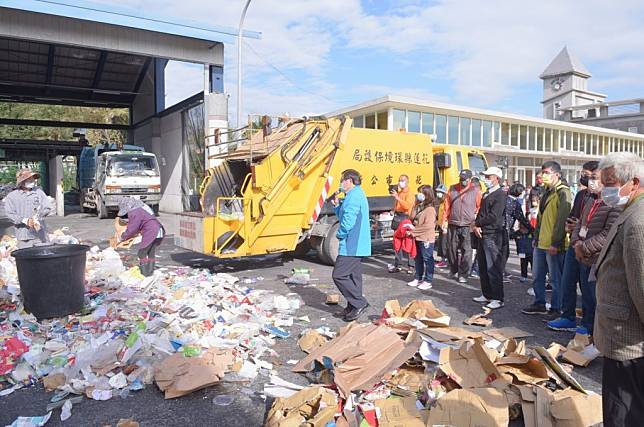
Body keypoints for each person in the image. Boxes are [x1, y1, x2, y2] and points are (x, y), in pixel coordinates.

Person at [591, 153, 644, 427]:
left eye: (610, 183)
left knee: (623, 413)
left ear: (633, 183)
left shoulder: (638, 222)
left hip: (629, 340)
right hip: (618, 335)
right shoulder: (630, 211)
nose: (605, 190)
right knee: (617, 408)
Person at [547, 163, 622, 334]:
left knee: (589, 293)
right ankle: (568, 317)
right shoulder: (589, 198)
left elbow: (607, 233)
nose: (591, 181)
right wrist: (575, 243)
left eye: (595, 178)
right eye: (590, 178)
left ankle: (589, 325)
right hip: (578, 248)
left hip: (593, 255)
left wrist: (585, 247)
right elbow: (580, 222)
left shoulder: (613, 204)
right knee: (568, 282)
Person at [522, 161, 571, 317]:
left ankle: (556, 308)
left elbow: (562, 219)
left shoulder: (563, 192)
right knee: (537, 276)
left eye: (547, 172)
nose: (543, 175)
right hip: (541, 242)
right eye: (542, 172)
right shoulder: (546, 191)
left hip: (553, 244)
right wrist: (536, 237)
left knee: (555, 279)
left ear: (557, 174)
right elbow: (541, 218)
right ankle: (539, 303)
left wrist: (556, 242)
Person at [331, 169, 371, 322]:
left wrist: (340, 234)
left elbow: (348, 221)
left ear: (349, 181)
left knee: (339, 275)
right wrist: (336, 206)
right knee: (354, 277)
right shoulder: (354, 195)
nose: (341, 183)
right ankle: (352, 306)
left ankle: (360, 303)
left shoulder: (354, 196)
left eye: (342, 180)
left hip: (352, 243)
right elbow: (344, 214)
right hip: (356, 243)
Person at [471, 167, 507, 310]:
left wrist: (477, 223)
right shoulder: (487, 193)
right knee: (484, 266)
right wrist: (476, 226)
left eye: (488, 176)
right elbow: (481, 212)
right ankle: (487, 294)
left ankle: (498, 298)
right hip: (482, 233)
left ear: (496, 178)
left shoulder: (500, 195)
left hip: (493, 234)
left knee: (493, 267)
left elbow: (494, 216)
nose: (486, 179)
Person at [441, 169, 482, 283]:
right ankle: (453, 269)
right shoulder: (452, 188)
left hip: (468, 224)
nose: (462, 180)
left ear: (469, 179)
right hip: (453, 223)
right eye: (461, 178)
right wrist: (444, 220)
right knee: (451, 248)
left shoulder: (476, 190)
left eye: (464, 179)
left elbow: (479, 207)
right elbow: (447, 205)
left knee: (466, 250)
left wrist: (476, 221)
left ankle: (463, 273)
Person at [4, 169, 52, 249]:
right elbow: (9, 214)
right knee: (26, 259)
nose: (32, 181)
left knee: (43, 257)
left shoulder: (39, 192)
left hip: (40, 235)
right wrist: (25, 220)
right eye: (28, 179)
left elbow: (47, 207)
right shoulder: (12, 196)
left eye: (32, 179)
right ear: (21, 181)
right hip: (24, 236)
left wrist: (39, 215)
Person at [117, 197, 165, 277]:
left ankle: (145, 274)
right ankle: (150, 272)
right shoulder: (140, 209)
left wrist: (123, 236)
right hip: (158, 229)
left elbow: (132, 228)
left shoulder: (134, 212)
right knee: (150, 252)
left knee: (141, 253)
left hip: (151, 231)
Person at [407, 185, 436, 291]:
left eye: (421, 193)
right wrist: (415, 204)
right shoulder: (420, 206)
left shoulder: (430, 209)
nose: (419, 195)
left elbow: (427, 226)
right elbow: (411, 217)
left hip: (426, 238)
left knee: (427, 259)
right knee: (418, 258)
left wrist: (413, 232)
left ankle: (428, 280)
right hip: (418, 237)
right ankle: (418, 277)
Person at [388, 174, 415, 273]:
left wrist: (398, 198)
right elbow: (397, 205)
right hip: (397, 217)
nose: (400, 182)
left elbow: (407, 206)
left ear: (407, 181)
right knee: (397, 242)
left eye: (402, 180)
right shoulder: (399, 193)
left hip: (405, 218)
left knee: (408, 242)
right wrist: (392, 210)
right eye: (399, 180)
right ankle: (398, 264)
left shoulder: (410, 194)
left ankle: (411, 265)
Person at [507, 183, 534, 283]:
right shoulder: (515, 203)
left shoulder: (504, 199)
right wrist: (531, 229)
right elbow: (521, 218)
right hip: (506, 229)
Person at [434, 184, 449, 269]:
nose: (438, 194)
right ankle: (443, 259)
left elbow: (446, 213)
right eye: (437, 192)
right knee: (441, 243)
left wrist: (445, 226)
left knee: (444, 244)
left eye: (440, 192)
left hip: (445, 226)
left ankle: (445, 260)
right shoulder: (440, 202)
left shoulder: (446, 201)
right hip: (441, 225)